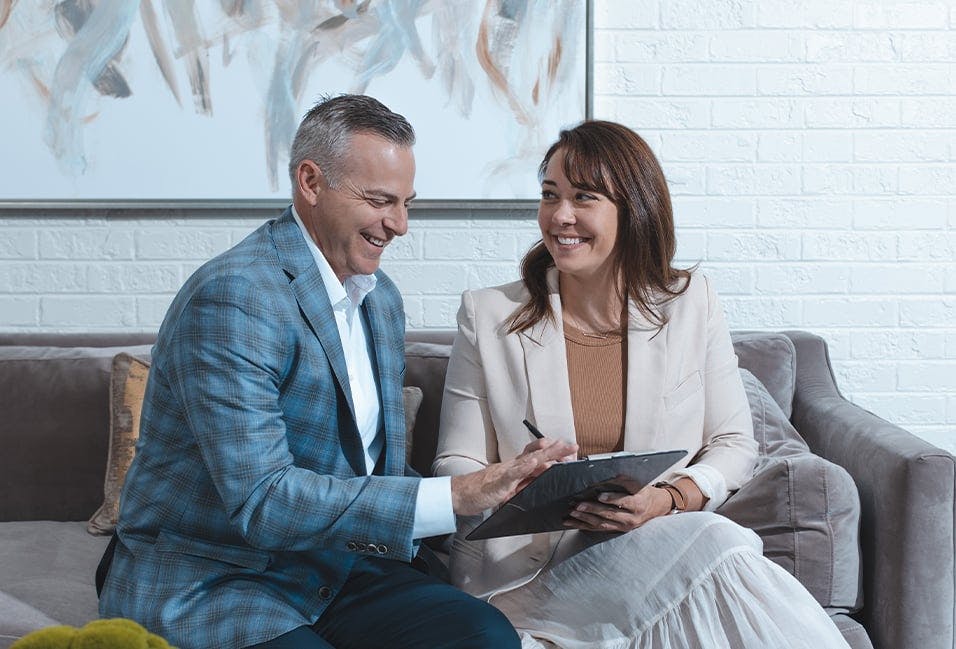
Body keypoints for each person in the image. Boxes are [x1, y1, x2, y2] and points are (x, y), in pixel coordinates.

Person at [97, 94, 576, 649]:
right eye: (378, 200)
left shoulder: (379, 299)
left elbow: (368, 471)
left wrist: (508, 489)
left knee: (484, 636)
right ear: (310, 181)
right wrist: (460, 494)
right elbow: (264, 500)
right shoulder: (235, 298)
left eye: (406, 203)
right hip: (220, 577)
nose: (399, 225)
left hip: (337, 568)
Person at [433, 120, 851, 648]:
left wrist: (668, 500)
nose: (560, 216)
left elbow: (734, 443)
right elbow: (455, 464)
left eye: (584, 198)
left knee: (715, 542)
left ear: (633, 210)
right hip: (527, 574)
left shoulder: (690, 301)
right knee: (718, 543)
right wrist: (513, 476)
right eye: (549, 195)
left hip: (653, 544)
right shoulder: (489, 314)